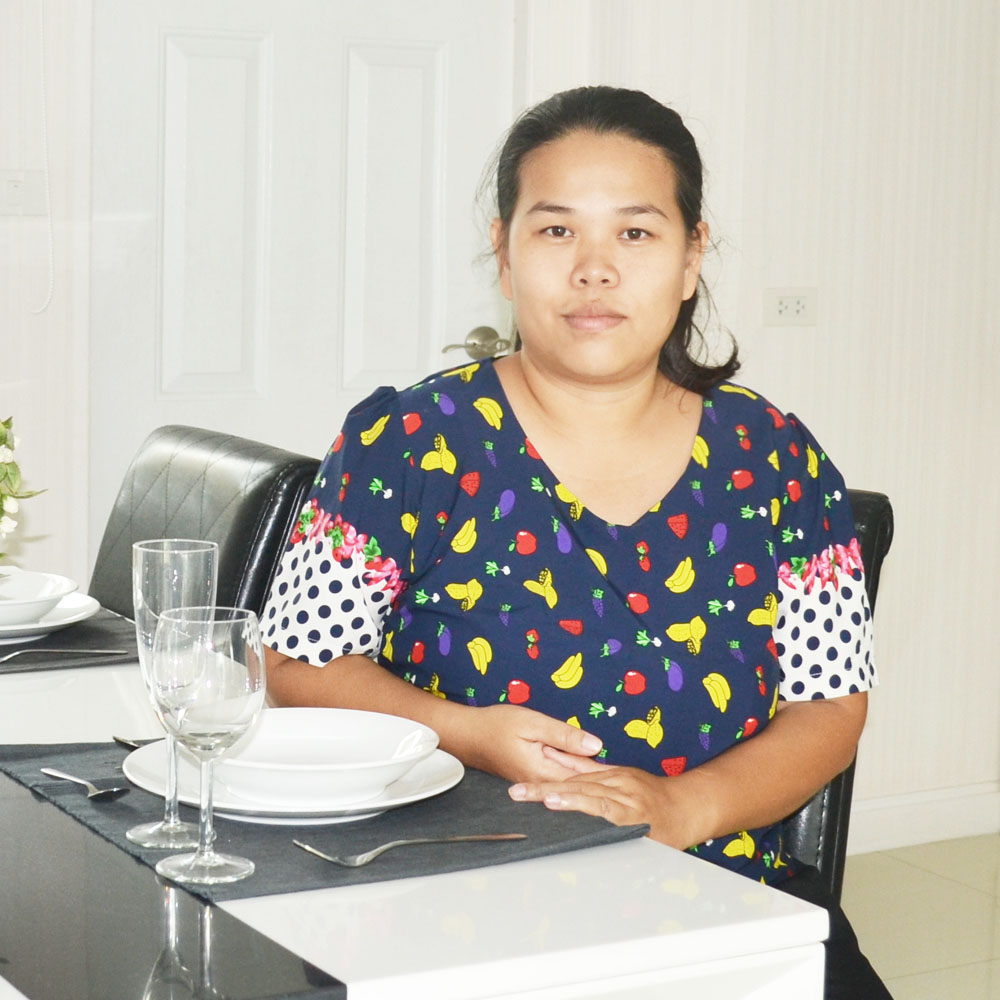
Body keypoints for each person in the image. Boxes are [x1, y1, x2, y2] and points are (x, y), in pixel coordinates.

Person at [262, 86, 891, 998]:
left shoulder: (777, 461)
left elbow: (830, 708)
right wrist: (468, 734)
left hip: (716, 895)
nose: (595, 270)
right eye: (557, 231)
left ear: (691, 256)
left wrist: (681, 807)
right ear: (504, 253)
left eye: (635, 233)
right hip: (452, 902)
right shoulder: (407, 443)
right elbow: (297, 666)